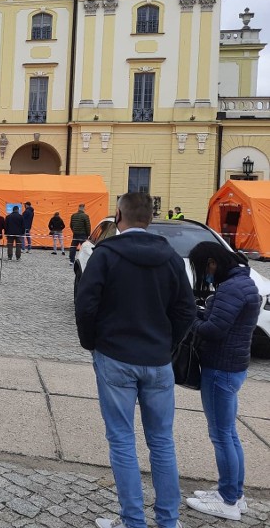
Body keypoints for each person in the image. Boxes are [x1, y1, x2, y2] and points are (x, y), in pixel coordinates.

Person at [74, 192, 195, 528]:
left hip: (115, 356)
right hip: (157, 360)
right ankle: (168, 521)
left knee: (122, 440)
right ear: (151, 219)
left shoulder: (105, 254)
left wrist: (91, 343)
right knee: (162, 441)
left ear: (118, 216)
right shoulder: (170, 258)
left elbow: (85, 305)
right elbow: (186, 309)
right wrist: (168, 343)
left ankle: (133, 521)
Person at [185, 242, 261, 521]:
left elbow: (214, 330)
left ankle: (228, 501)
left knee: (221, 435)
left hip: (220, 368)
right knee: (229, 434)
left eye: (202, 269)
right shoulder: (244, 281)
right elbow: (224, 321)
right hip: (233, 366)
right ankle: (233, 494)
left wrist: (190, 319)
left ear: (212, 264)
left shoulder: (230, 288)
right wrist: (202, 313)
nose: (204, 275)